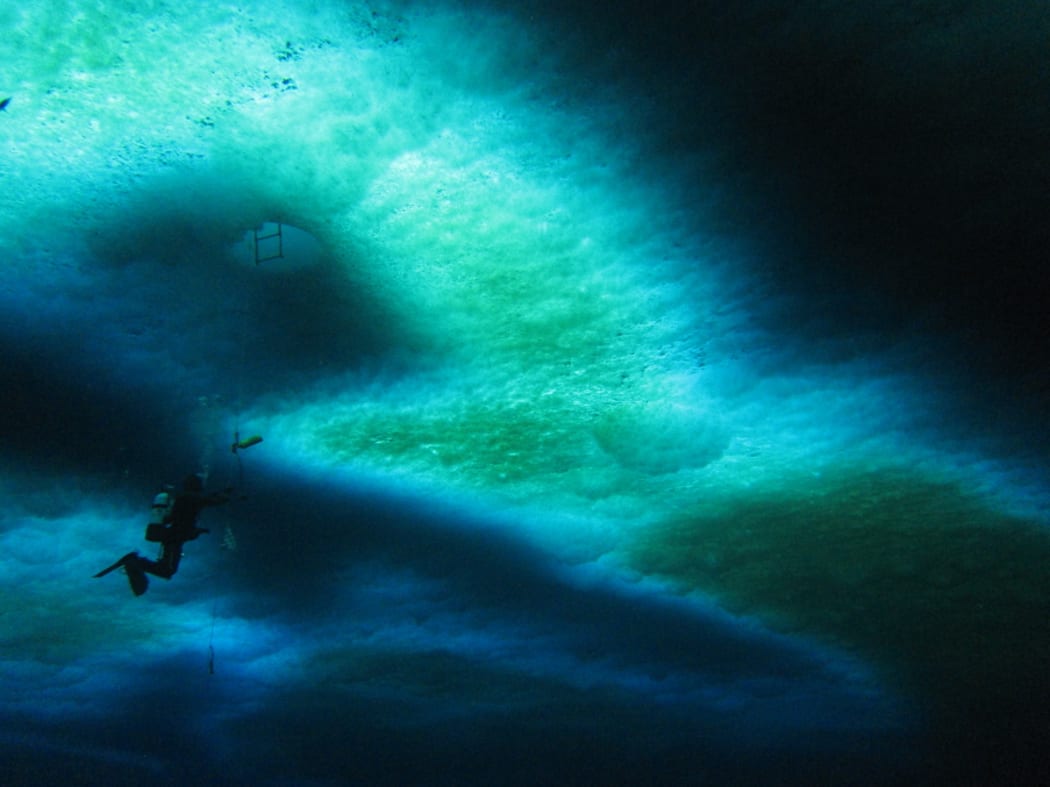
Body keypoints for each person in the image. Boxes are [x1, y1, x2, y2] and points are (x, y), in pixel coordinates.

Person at [94, 474, 231, 596]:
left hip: (173, 536)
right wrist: (226, 495)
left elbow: (181, 516)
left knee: (167, 569)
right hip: (174, 538)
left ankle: (137, 563)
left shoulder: (183, 497)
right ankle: (135, 562)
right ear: (196, 486)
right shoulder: (190, 497)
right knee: (167, 570)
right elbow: (211, 501)